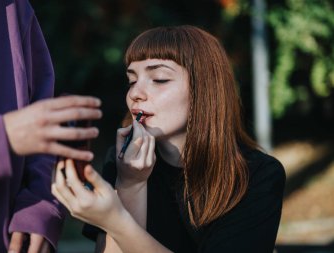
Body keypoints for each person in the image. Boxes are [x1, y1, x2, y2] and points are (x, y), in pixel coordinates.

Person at [52, 25, 286, 253]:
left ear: (203, 90)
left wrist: (116, 221)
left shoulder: (257, 175)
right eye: (132, 80)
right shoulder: (123, 159)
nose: (135, 94)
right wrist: (130, 184)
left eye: (160, 79)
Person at [0, 1, 102, 252]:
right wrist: (2, 137)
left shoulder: (14, 7)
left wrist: (40, 205)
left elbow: (39, 116)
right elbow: (17, 130)